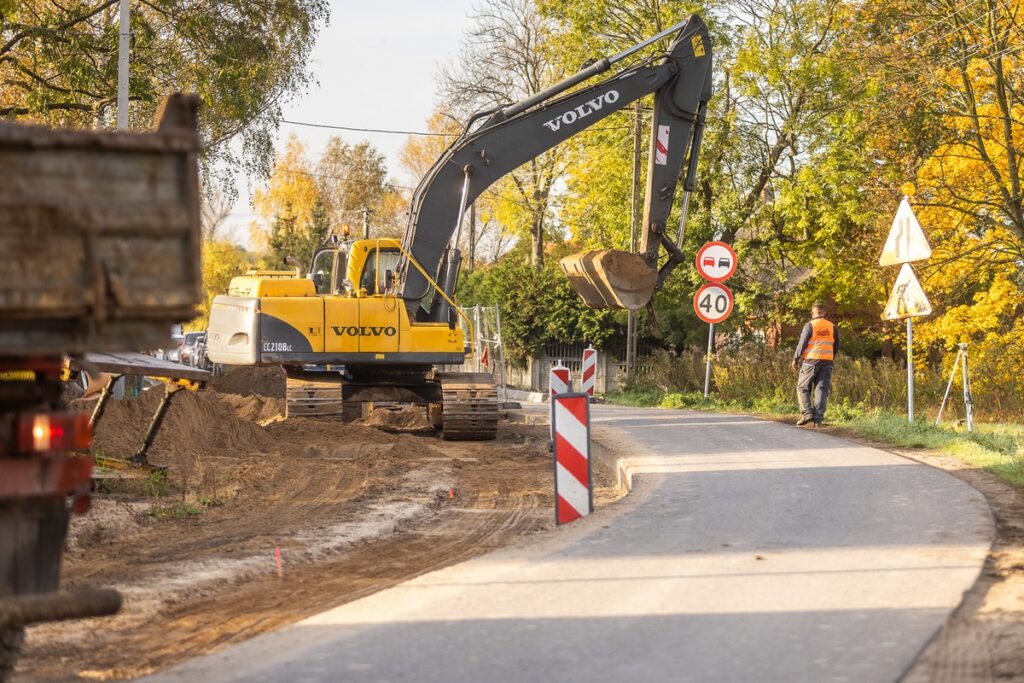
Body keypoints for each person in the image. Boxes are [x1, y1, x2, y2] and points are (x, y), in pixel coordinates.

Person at [791, 303, 839, 427]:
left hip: (810, 361)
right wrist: (830, 358)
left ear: (812, 314)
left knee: (802, 388)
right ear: (825, 314)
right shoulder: (832, 327)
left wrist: (795, 358)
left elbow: (802, 344)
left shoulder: (810, 325)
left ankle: (807, 415)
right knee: (821, 390)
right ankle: (818, 420)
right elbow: (836, 346)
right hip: (827, 362)